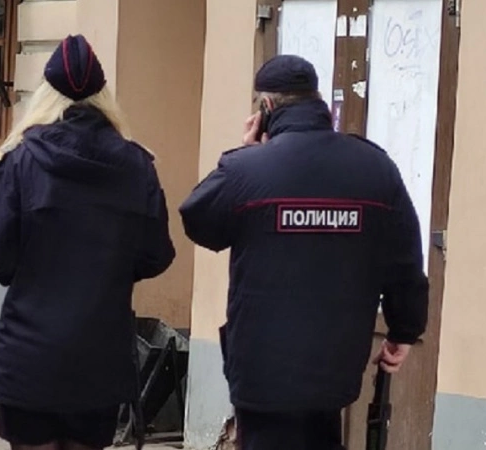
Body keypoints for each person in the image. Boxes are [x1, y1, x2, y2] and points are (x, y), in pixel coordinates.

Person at [179, 54, 429, 450]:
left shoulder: (246, 170)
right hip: (335, 367)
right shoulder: (375, 168)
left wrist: (245, 154)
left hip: (261, 368)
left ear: (266, 107)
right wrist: (404, 329)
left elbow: (199, 222)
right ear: (319, 103)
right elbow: (404, 260)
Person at [0, 34, 175, 450]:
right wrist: (110, 270)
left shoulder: (18, 160)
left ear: (44, 96)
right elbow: (156, 254)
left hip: (29, 353)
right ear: (104, 97)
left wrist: (29, 269)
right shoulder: (136, 165)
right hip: (100, 354)